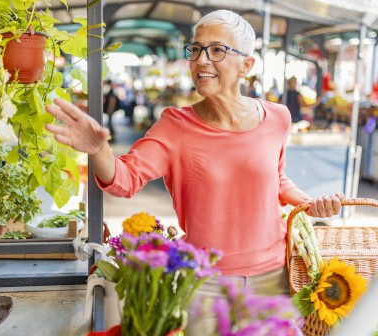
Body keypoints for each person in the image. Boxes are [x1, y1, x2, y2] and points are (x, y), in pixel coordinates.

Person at [45, 8, 342, 303]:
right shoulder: (176, 125)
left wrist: (308, 204)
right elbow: (125, 179)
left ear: (246, 64)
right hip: (206, 284)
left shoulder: (278, 117)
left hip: (273, 276)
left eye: (216, 50)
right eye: (196, 49)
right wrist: (100, 150)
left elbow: (276, 178)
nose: (202, 60)